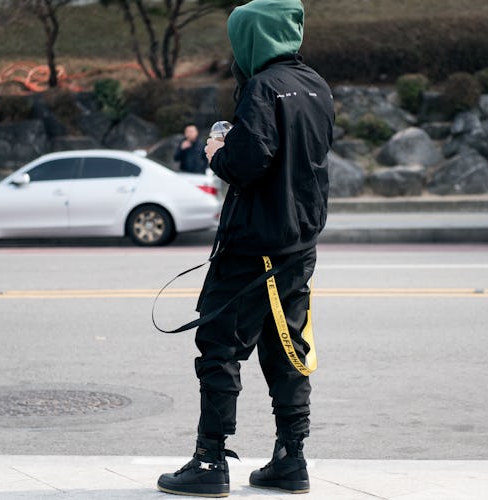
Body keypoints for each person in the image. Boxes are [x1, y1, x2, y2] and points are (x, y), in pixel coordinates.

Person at [157, 0, 334, 497]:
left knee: (219, 346)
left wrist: (218, 151)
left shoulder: (262, 87)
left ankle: (210, 461)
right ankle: (290, 458)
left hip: (251, 245)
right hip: (299, 244)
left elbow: (249, 161)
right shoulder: (317, 86)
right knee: (289, 348)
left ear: (253, 39)